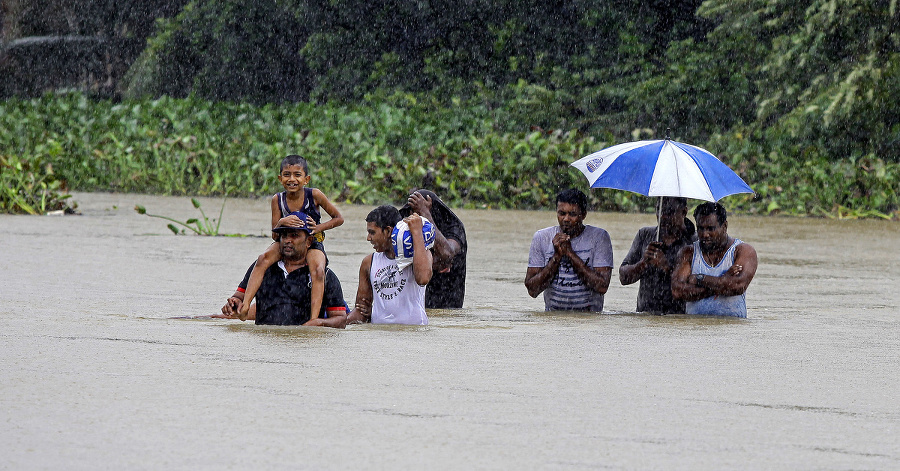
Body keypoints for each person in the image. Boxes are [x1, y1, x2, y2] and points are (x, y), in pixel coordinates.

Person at [237, 155, 344, 320]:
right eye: (287, 175)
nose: (292, 179)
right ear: (280, 179)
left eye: (297, 175)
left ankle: (314, 318)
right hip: (284, 242)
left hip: (312, 242)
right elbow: (274, 234)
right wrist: (281, 221)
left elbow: (338, 218)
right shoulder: (277, 200)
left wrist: (317, 228)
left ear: (306, 179)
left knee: (318, 270)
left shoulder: (314, 195)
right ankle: (245, 307)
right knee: (262, 259)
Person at [221, 213, 349, 327]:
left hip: (303, 346)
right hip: (263, 345)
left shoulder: (325, 275)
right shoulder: (262, 268)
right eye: (284, 235)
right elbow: (239, 297)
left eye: (294, 235)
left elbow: (340, 320)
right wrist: (233, 305)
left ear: (309, 241)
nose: (288, 241)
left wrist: (319, 323)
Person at [525, 188, 613, 311]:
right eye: (562, 213)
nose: (566, 219)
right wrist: (556, 257)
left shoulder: (599, 237)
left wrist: (570, 254)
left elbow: (602, 287)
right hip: (553, 320)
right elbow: (532, 290)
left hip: (590, 321)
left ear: (583, 215)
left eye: (572, 214)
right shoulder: (542, 237)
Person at [347, 205, 433, 325]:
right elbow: (361, 310)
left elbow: (423, 278)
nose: (368, 238)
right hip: (380, 336)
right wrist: (340, 322)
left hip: (413, 336)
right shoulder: (369, 262)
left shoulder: (419, 255)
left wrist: (417, 232)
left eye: (372, 232)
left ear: (388, 231)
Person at [671, 202, 758, 317]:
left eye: (710, 229)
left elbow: (738, 286)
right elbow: (677, 291)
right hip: (694, 330)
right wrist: (723, 280)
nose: (705, 234)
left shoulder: (743, 251)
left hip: (733, 331)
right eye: (700, 228)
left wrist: (699, 279)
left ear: (725, 226)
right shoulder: (688, 253)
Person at [619, 197, 697, 314]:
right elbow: (623, 278)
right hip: (645, 317)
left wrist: (667, 267)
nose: (662, 217)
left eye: (669, 212)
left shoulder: (695, 242)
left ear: (684, 212)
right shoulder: (645, 235)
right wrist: (643, 263)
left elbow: (697, 287)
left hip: (679, 318)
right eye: (659, 210)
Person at [399, 189, 467, 308]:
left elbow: (446, 253)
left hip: (448, 303)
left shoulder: (454, 227)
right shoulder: (404, 227)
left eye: (418, 214)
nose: (415, 219)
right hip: (415, 304)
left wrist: (425, 215)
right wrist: (432, 262)